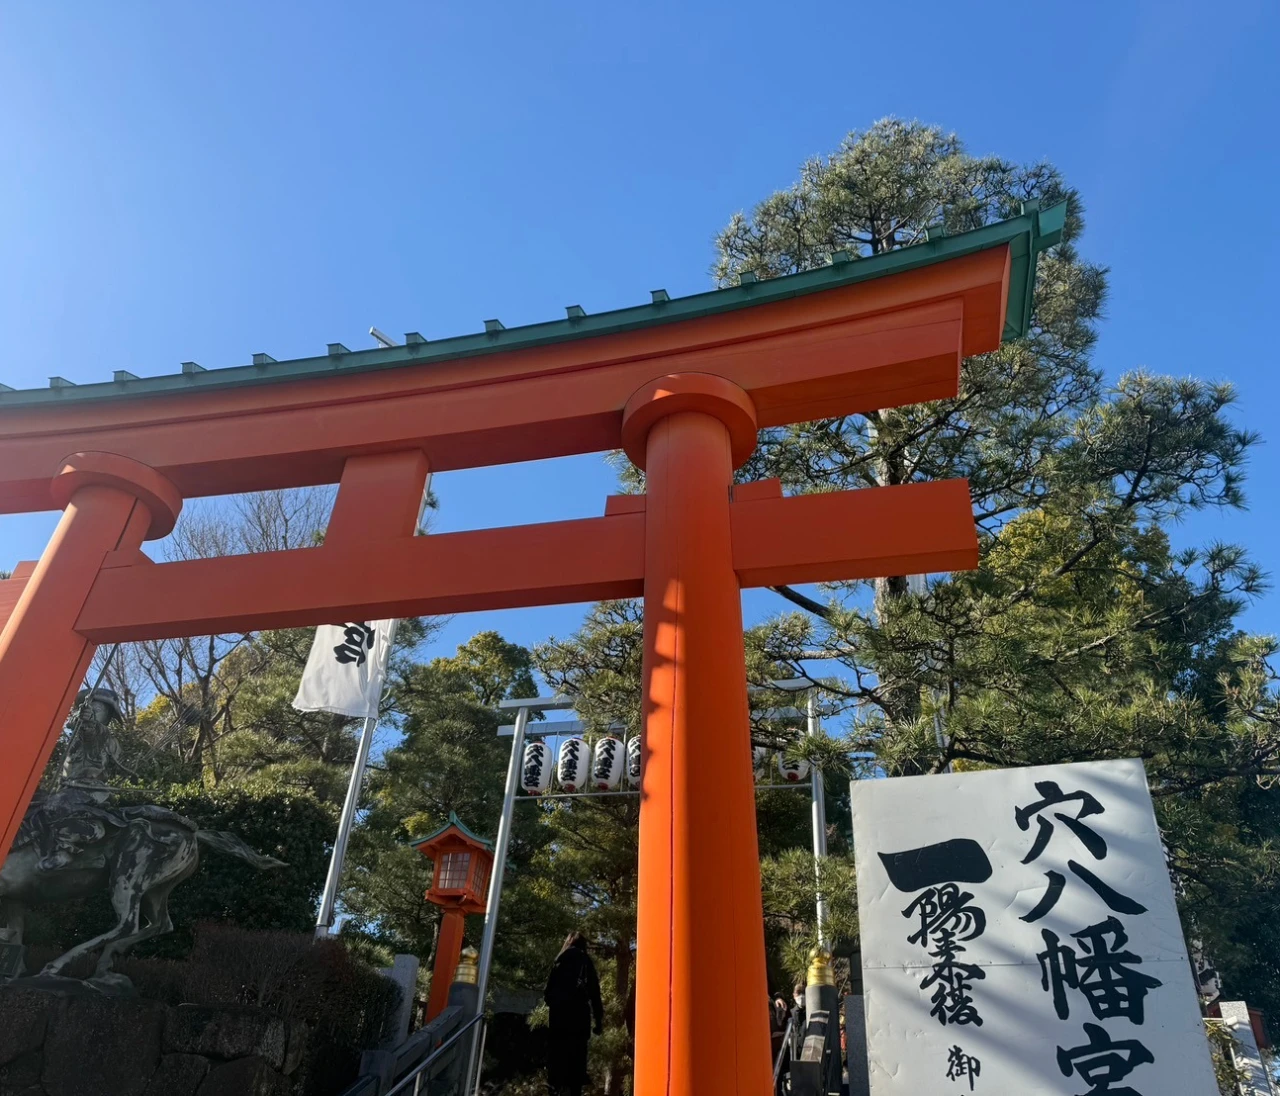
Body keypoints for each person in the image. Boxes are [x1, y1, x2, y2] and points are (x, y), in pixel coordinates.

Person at [543, 931, 604, 1096]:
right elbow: (595, 994)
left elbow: (547, 994)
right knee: (576, 1064)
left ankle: (554, 1089)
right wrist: (598, 1021)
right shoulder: (585, 962)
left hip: (558, 1019)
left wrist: (558, 1003)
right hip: (579, 1020)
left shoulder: (559, 960)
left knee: (557, 1061)